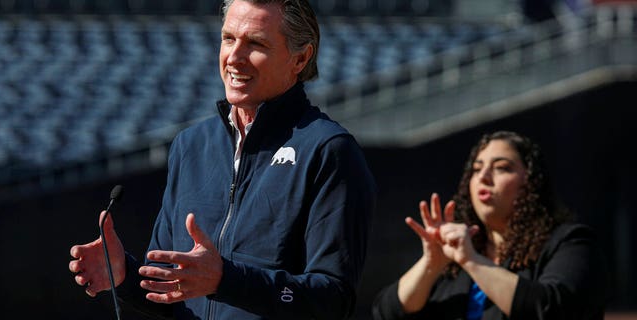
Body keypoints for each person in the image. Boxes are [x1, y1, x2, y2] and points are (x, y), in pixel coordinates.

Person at [68, 0, 377, 319]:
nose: (235, 57)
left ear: (300, 58)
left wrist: (226, 280)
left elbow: (332, 301)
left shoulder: (328, 151)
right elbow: (170, 290)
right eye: (229, 39)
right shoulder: (190, 145)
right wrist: (124, 274)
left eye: (255, 43)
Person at [371, 131, 607, 320]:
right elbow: (386, 312)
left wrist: (472, 261)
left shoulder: (570, 242)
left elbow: (553, 309)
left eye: (502, 167)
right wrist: (431, 264)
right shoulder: (455, 259)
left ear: (531, 182)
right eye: (476, 169)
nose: (484, 176)